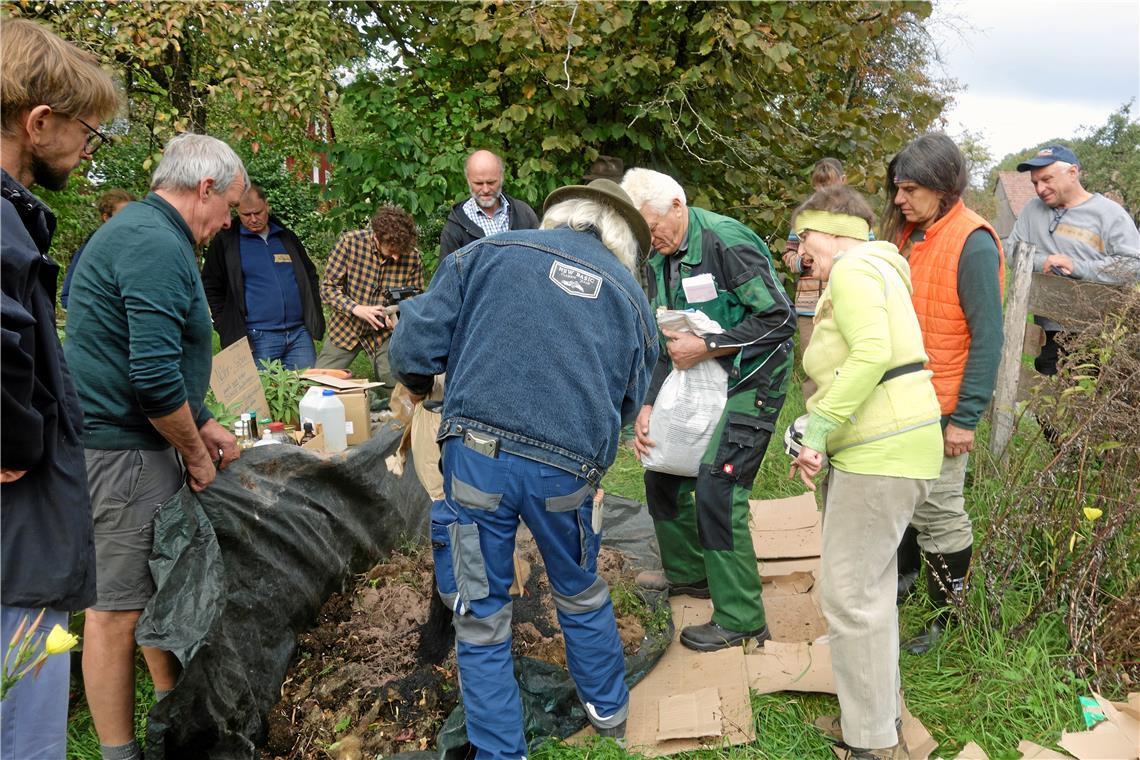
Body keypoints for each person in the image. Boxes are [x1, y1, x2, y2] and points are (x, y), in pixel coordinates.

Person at [388, 178, 657, 756]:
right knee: (579, 588)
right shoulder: (632, 298)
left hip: (478, 459)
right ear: (623, 241)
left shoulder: (484, 254)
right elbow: (631, 401)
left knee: (481, 614)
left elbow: (413, 347)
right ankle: (609, 712)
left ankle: (499, 751)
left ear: (558, 215)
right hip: (567, 471)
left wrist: (417, 383)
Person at [65, 133, 246, 760]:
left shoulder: (153, 235)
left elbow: (154, 357)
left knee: (152, 589)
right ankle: (121, 752)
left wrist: (203, 418)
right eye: (229, 208)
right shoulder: (150, 243)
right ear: (204, 189)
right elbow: (150, 378)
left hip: (140, 445)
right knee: (114, 610)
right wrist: (197, 453)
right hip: (120, 454)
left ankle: (175, 717)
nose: (227, 223)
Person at [788, 187, 943, 760]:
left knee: (850, 597)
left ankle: (871, 744)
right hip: (897, 445)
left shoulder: (853, 270)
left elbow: (873, 353)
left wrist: (820, 427)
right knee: (870, 594)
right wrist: (821, 428)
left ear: (832, 230)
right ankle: (875, 724)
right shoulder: (879, 269)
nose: (803, 252)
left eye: (804, 238)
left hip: (884, 453)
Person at [0, 18, 117, 758]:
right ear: (38, 122)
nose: (87, 149)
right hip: (20, 540)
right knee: (26, 731)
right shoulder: (4, 223)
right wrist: (14, 437)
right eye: (87, 133)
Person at [622, 167, 796, 652]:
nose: (649, 238)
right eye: (642, 232)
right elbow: (667, 338)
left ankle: (742, 617)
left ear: (677, 205)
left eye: (653, 226)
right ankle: (691, 575)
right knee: (662, 469)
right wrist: (650, 403)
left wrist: (711, 344)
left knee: (718, 486)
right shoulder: (662, 257)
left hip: (752, 376)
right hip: (695, 375)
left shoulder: (725, 242)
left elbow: (780, 319)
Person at [881, 134, 1005, 654]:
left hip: (944, 404)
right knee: (906, 500)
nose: (898, 199)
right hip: (903, 398)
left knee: (941, 511)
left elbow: (989, 338)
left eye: (910, 189)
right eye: (897, 188)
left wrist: (966, 417)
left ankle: (948, 614)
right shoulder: (910, 234)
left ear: (944, 187)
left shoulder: (972, 241)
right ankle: (907, 580)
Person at [1007, 145, 1140, 375]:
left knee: (1093, 400)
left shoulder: (1109, 214)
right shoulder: (1031, 211)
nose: (1040, 188)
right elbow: (1011, 252)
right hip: (1048, 332)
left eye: (1046, 179)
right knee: (1047, 400)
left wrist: (1078, 267)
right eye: (1035, 183)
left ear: (1072, 173)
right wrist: (1043, 261)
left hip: (1101, 333)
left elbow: (1133, 266)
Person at [201, 183, 324, 369]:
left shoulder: (285, 237)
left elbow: (309, 275)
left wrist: (313, 316)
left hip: (299, 334)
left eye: (257, 212)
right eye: (246, 215)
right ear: (237, 212)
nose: (253, 219)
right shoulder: (226, 242)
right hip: (257, 337)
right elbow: (211, 286)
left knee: (307, 392)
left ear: (267, 205)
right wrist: (224, 324)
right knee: (260, 397)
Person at [315, 204, 423, 398]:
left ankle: (397, 424)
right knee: (319, 385)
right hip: (346, 328)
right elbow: (328, 288)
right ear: (376, 237)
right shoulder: (350, 243)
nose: (397, 257)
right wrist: (356, 309)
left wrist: (398, 317)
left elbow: (415, 301)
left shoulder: (413, 257)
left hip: (384, 334)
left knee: (398, 384)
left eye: (401, 251)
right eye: (391, 250)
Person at [781, 158, 858, 398]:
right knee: (812, 362)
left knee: (846, 360)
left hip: (846, 299)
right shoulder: (805, 218)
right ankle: (810, 416)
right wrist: (799, 261)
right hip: (808, 305)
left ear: (843, 182)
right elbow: (788, 253)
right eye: (819, 186)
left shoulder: (856, 217)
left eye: (831, 185)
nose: (824, 192)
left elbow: (869, 250)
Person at [439, 149, 539, 257]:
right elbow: (447, 272)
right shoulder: (454, 228)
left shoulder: (523, 213)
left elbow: (541, 259)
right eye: (479, 183)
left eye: (491, 182)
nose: (485, 189)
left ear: (501, 178)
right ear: (468, 180)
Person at [60, 188, 133, 308]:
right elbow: (68, 294)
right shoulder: (92, 245)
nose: (128, 219)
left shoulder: (134, 244)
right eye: (122, 215)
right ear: (106, 217)